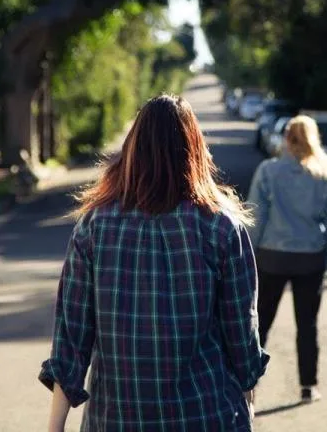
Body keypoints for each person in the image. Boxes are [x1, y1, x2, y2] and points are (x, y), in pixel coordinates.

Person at [39, 95, 269, 432]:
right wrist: (248, 404)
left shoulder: (94, 227)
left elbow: (70, 342)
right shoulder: (221, 227)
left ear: (133, 149)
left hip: (116, 420)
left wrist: (54, 428)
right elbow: (242, 340)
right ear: (194, 150)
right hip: (206, 417)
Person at [246, 114, 327, 404]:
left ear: (286, 138)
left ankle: (250, 384)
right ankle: (308, 386)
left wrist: (253, 254)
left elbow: (256, 216)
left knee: (260, 323)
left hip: (271, 258)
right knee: (307, 325)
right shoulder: (323, 176)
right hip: (309, 259)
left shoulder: (268, 171)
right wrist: (325, 260)